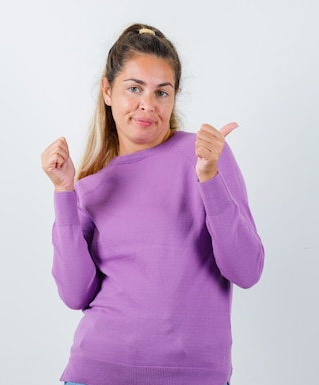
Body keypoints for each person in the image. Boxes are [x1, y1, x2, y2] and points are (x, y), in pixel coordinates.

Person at [41, 23, 265, 385]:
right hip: (97, 372)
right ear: (107, 90)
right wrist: (64, 193)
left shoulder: (205, 156)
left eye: (162, 92)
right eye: (134, 88)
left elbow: (246, 270)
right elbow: (74, 294)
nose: (148, 104)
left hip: (195, 376)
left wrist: (209, 178)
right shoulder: (91, 185)